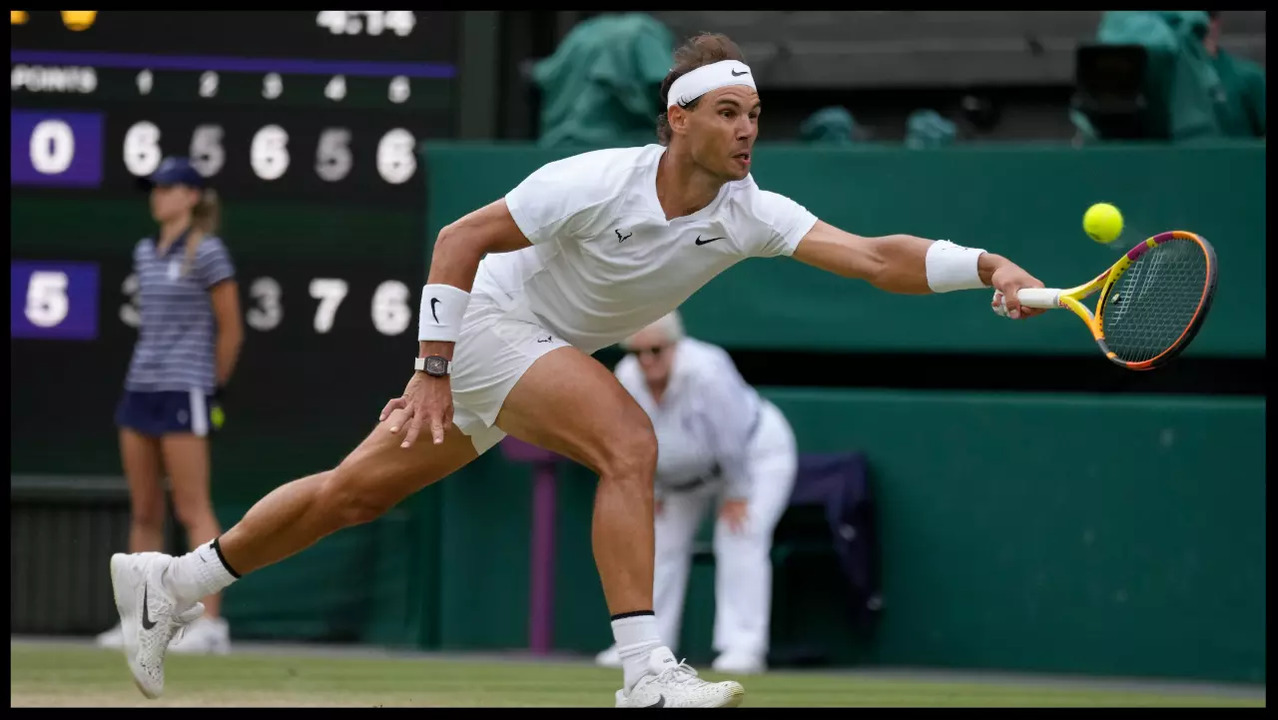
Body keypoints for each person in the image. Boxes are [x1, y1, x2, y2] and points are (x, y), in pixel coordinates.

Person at [106, 33, 1047, 708]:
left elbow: (879, 257)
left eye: (754, 114)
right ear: (678, 121)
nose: (747, 130)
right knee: (628, 441)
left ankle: (172, 584)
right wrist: (434, 365)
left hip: (527, 355)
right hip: (486, 327)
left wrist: (988, 267)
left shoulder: (750, 210)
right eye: (728, 112)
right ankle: (644, 670)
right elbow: (459, 237)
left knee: (351, 494)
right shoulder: (597, 181)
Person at [594, 312, 797, 675]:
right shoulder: (626, 376)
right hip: (680, 479)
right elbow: (632, 440)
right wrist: (649, 487)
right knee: (657, 545)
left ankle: (744, 647)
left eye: (655, 350)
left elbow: (732, 437)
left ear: (675, 345)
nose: (646, 361)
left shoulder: (708, 369)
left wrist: (738, 492)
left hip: (754, 459)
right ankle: (647, 649)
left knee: (740, 536)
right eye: (637, 352)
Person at [97, 156, 242, 655]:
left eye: (167, 188)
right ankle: (143, 624)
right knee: (145, 510)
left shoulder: (209, 253)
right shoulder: (144, 250)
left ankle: (211, 627)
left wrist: (211, 387)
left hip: (186, 390)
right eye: (154, 188)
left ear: (192, 196)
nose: (157, 196)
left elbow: (231, 329)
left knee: (192, 508)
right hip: (140, 388)